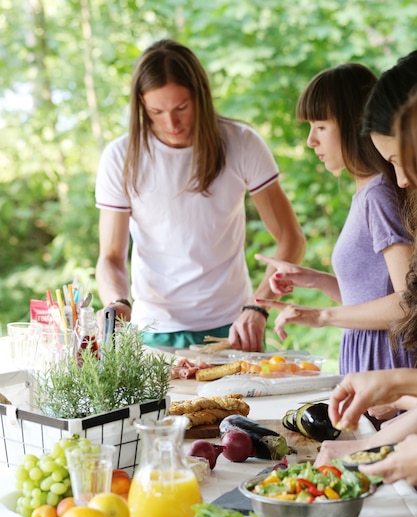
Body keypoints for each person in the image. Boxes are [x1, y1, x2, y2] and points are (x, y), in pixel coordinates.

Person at [95, 39, 305, 352]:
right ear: (141, 104)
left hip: (234, 326)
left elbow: (291, 239)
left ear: (200, 97)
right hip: (153, 329)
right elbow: (111, 257)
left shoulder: (242, 143)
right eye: (156, 111)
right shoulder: (120, 157)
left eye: (181, 107)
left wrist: (259, 306)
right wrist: (117, 302)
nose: (171, 123)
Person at [255, 63, 415, 385]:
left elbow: (406, 302)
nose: (311, 140)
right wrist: (314, 280)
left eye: (320, 126)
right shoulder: (365, 194)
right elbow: (367, 297)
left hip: (387, 364)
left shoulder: (379, 195)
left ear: (353, 123)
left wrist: (321, 317)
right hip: (370, 361)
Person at [315, 52, 417, 477]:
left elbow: (402, 302)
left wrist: (396, 384)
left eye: (401, 161)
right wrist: (365, 448)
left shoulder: (378, 196)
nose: (402, 181)